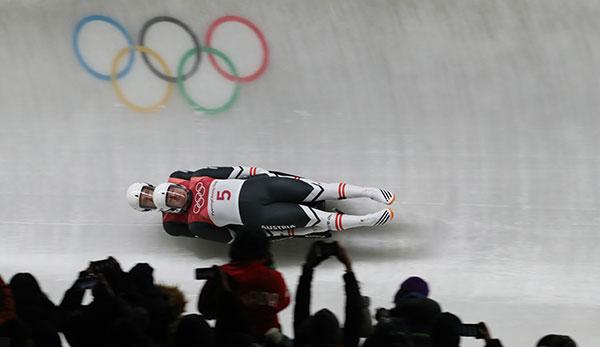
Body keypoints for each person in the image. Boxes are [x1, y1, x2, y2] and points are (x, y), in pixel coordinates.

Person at [127, 166, 396, 243]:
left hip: (259, 188)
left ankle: (368, 192)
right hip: (258, 214)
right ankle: (364, 221)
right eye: (172, 200)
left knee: (317, 189)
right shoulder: (194, 222)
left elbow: (231, 171)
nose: (176, 196)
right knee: (311, 217)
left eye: (173, 192)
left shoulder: (195, 179)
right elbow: (229, 236)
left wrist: (260, 171)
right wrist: (270, 232)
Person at [197, 229, 291, 347]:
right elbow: (284, 302)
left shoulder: (221, 275)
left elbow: (205, 310)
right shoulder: (274, 278)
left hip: (230, 340)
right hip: (269, 339)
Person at [294, 241, 366, 347]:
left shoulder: (303, 339)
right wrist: (348, 267)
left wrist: (308, 269)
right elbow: (354, 313)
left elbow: (301, 307)